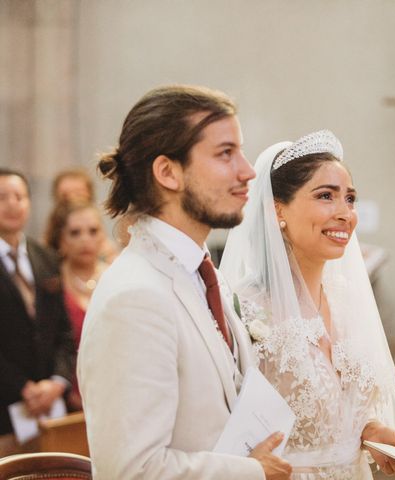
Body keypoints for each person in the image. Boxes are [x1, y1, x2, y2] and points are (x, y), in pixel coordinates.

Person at [77, 85, 292, 479]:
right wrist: (251, 472)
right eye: (225, 153)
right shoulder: (135, 297)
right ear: (167, 172)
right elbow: (132, 470)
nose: (247, 171)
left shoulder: (205, 276)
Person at [221, 131, 395, 479]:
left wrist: (370, 431)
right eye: (326, 196)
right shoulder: (244, 310)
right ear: (277, 209)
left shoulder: (348, 301)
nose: (345, 213)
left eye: (350, 198)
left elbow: (341, 414)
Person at [0, 168, 76, 456]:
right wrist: (24, 388)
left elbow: (64, 333)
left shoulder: (45, 256)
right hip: (5, 409)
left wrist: (57, 382)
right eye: (2, 197)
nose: (11, 204)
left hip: (54, 408)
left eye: (19, 196)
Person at [44, 200, 108, 411]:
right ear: (61, 239)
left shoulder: (116, 277)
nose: (85, 240)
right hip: (66, 399)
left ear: (102, 236)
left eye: (92, 231)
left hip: (115, 388)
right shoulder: (51, 283)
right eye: (75, 233)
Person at [51, 168, 120, 264]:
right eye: (65, 196)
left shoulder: (108, 252)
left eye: (79, 194)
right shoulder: (44, 253)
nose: (73, 199)